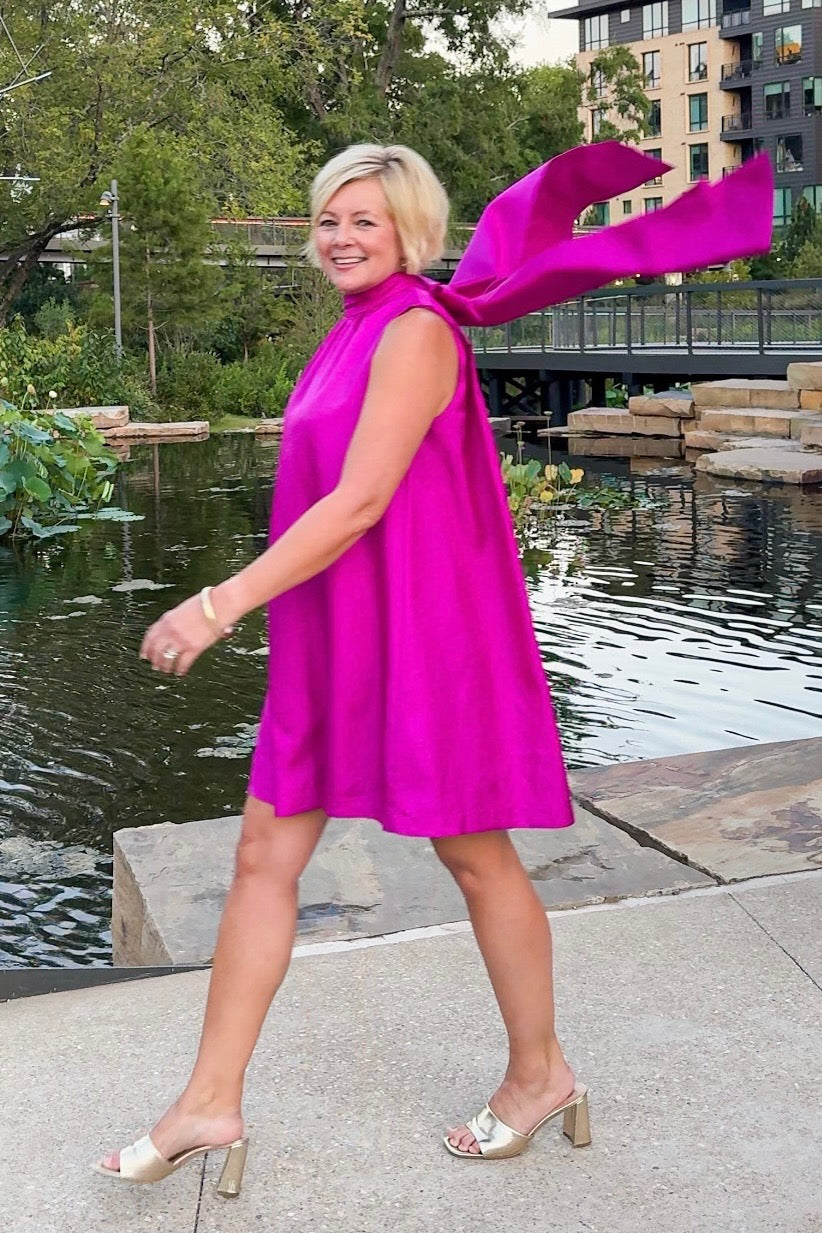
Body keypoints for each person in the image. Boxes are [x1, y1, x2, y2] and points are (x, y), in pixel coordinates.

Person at [94, 139, 773, 1193]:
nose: (340, 238)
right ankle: (208, 1103)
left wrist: (218, 602)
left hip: (417, 642)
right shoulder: (350, 329)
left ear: (411, 232)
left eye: (364, 220)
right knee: (261, 863)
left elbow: (361, 502)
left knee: (475, 859)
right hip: (330, 643)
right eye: (327, 219)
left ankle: (539, 1074)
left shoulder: (414, 331)